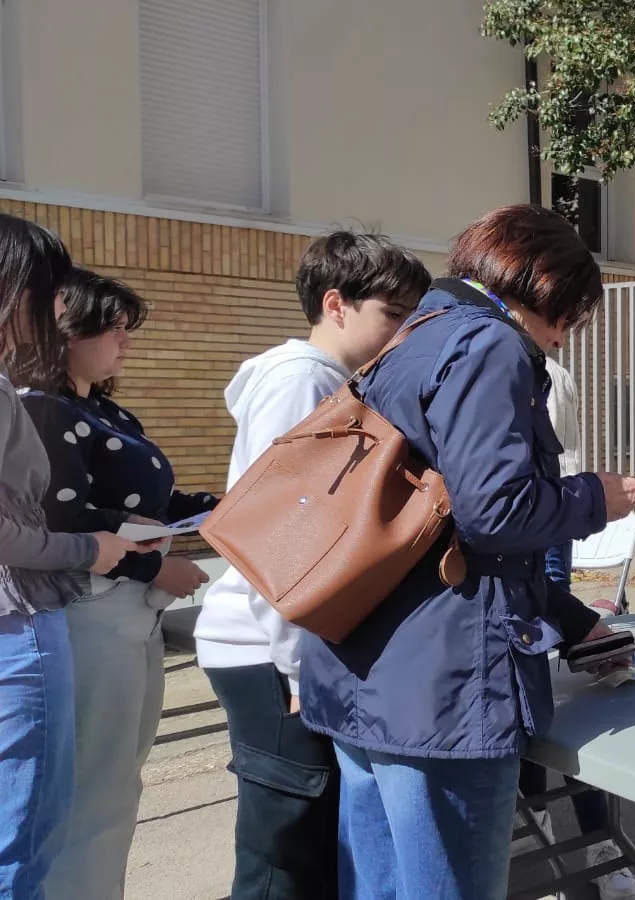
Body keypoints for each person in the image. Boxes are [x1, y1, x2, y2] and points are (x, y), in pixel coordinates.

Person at [297, 205, 635, 900]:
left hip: (365, 671)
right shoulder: (488, 344)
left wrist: (573, 621)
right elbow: (496, 513)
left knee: (380, 887)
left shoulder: (410, 337)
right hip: (441, 691)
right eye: (566, 318)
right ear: (541, 285)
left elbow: (445, 525)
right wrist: (592, 499)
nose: (562, 338)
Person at [193, 231, 430, 899]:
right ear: (337, 303)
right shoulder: (301, 381)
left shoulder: (329, 381)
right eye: (392, 313)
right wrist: (299, 664)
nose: (403, 330)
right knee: (282, 856)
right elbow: (287, 535)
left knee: (307, 847)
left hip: (284, 644)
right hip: (269, 648)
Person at [16, 269, 220, 900]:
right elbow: (58, 520)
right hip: (90, 611)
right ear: (64, 330)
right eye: (112, 327)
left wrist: (222, 506)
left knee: (119, 779)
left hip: (129, 615)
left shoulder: (101, 409)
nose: (125, 341)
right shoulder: (38, 408)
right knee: (94, 788)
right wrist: (156, 565)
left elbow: (149, 501)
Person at [0, 215, 144, 898]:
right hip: (20, 622)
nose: (60, 307)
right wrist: (93, 549)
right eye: (53, 290)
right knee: (27, 836)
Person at [517, 350, 635, 900]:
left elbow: (561, 463)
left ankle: (598, 841)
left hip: (545, 524)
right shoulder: (483, 363)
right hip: (514, 543)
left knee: (573, 711)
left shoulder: (549, 373)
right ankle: (538, 842)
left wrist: (578, 623)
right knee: (529, 709)